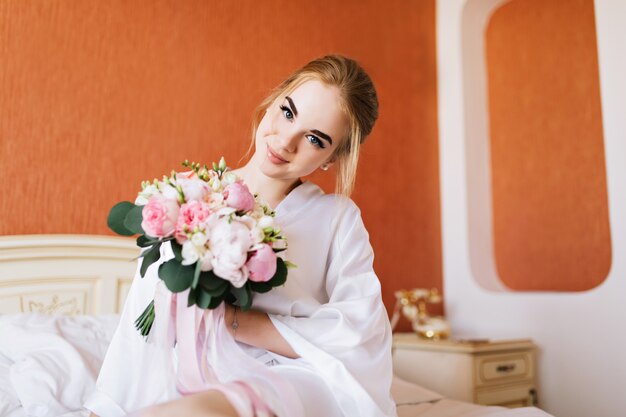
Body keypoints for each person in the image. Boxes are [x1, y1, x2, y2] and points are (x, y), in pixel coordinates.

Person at [85, 55, 397, 417]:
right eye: (288, 112)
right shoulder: (185, 198)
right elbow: (142, 321)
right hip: (196, 366)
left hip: (293, 378)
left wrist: (234, 322)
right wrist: (105, 409)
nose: (285, 141)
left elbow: (360, 333)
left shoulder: (337, 219)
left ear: (331, 158)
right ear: (273, 100)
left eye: (314, 139)